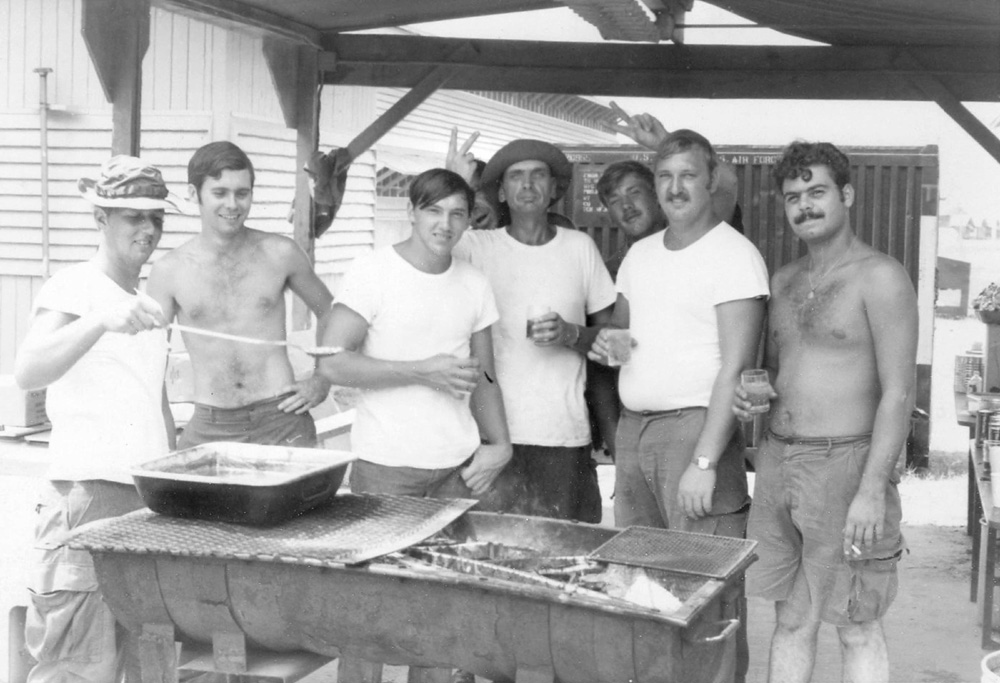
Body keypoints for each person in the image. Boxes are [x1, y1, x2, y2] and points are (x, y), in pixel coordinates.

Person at [589, 129, 769, 683]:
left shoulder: (734, 255)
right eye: (665, 177)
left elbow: (735, 368)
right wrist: (609, 344)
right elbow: (621, 335)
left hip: (694, 434)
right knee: (642, 586)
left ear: (711, 180)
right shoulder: (640, 255)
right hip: (635, 432)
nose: (675, 187)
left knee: (707, 592)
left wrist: (706, 462)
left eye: (688, 175)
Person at [733, 141, 915, 683]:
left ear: (847, 195)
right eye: (794, 197)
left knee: (854, 619)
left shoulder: (879, 276)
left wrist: (871, 488)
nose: (805, 206)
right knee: (789, 617)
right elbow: (772, 374)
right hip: (779, 463)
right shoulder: (783, 282)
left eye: (817, 192)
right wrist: (752, 397)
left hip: (846, 462)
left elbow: (899, 393)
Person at [14, 156, 181, 682]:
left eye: (156, 218)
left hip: (147, 504)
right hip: (88, 501)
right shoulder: (75, 288)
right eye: (134, 216)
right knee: (76, 667)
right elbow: (28, 370)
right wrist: (99, 320)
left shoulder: (147, 306)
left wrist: (175, 486)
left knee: (147, 666)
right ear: (101, 218)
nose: (149, 229)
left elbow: (157, 406)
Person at [451, 136, 616, 521]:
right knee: (494, 556)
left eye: (538, 175)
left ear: (554, 189)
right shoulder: (475, 246)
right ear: (501, 193)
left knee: (568, 556)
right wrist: (456, 182)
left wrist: (571, 334)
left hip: (564, 437)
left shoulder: (580, 248)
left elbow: (620, 348)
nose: (527, 185)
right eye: (516, 176)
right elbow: (424, 251)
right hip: (490, 438)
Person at [318, 168, 511, 498]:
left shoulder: (474, 283)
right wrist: (421, 372)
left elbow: (486, 375)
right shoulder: (373, 271)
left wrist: (501, 444)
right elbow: (331, 365)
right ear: (411, 212)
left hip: (459, 468)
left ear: (468, 221)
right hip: (387, 466)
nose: (445, 224)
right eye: (433, 211)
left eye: (456, 214)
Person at [147, 141, 334, 449]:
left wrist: (322, 379)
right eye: (219, 193)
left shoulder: (280, 253)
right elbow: (150, 359)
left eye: (242, 193)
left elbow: (331, 312)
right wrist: (163, 437)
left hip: (281, 418)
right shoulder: (169, 271)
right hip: (210, 423)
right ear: (194, 194)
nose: (232, 204)